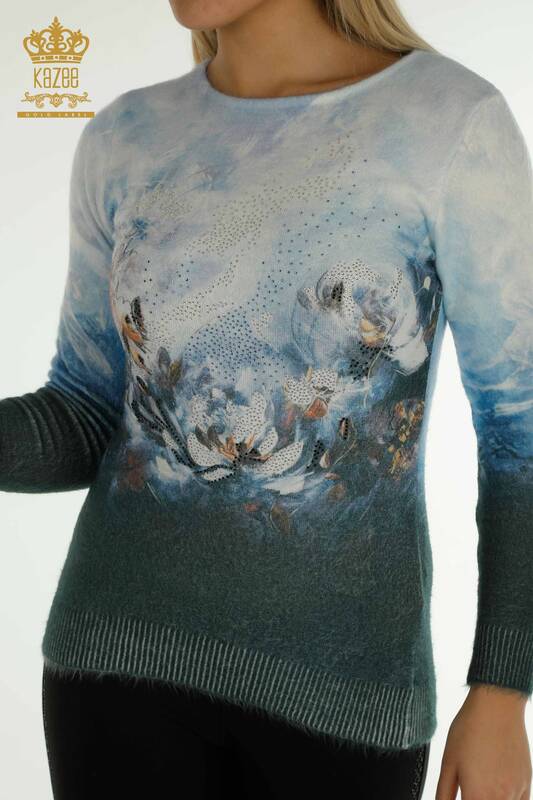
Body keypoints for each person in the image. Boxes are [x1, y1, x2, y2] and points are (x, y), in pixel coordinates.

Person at [1, 0, 532, 798]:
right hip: (111, 673)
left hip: (344, 701)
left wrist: (501, 689)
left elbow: (518, 429)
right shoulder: (127, 135)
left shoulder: (447, 122)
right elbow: (83, 414)